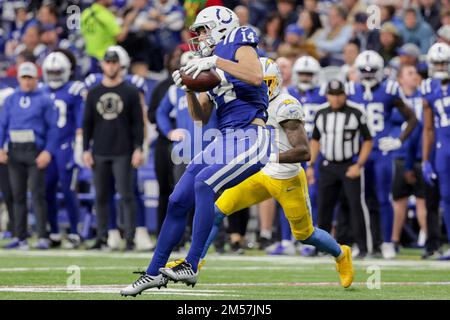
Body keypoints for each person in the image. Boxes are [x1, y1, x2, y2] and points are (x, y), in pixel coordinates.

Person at [121, 5, 270, 295]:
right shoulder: (210, 61)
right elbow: (201, 117)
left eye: (202, 30)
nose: (200, 37)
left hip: (251, 135)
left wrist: (216, 61)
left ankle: (191, 263)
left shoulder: (238, 39)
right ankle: (153, 272)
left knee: (204, 183)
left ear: (220, 26)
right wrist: (189, 89)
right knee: (177, 199)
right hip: (223, 138)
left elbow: (254, 75)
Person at [199, 58, 354, 286]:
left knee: (305, 234)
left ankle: (341, 255)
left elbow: (304, 152)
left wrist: (266, 155)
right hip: (259, 174)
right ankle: (194, 262)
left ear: (275, 82)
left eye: (263, 83)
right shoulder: (247, 104)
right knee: (215, 212)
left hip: (286, 177)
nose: (256, 87)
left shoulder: (285, 105)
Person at [345, 50, 418, 258]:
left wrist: (398, 140)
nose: (368, 74)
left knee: (383, 198)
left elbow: (412, 118)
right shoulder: (350, 89)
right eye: (364, 70)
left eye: (372, 70)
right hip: (358, 152)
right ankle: (365, 243)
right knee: (360, 199)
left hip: (381, 152)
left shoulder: (390, 89)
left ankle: (386, 242)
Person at [84, 45, 153, 251]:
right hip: (100, 151)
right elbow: (87, 122)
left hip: (123, 151)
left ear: (120, 65)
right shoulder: (94, 92)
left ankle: (130, 238)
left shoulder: (130, 91)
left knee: (126, 195)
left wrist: (138, 148)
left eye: (114, 62)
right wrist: (86, 150)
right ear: (103, 64)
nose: (111, 66)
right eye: (108, 62)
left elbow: (137, 123)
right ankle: (103, 237)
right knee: (102, 196)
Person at [307, 79, 373, 259]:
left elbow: (368, 140)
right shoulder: (321, 113)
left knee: (355, 206)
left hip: (348, 165)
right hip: (327, 165)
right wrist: (311, 165)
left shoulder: (356, 112)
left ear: (345, 94)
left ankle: (363, 247)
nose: (336, 99)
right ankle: (321, 247)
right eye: (332, 95)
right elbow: (315, 140)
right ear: (327, 95)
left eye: (339, 95)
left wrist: (359, 164)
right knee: (324, 208)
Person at [0, 62, 58, 250]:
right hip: (15, 150)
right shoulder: (11, 99)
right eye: (23, 78)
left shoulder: (44, 99)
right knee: (16, 195)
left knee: (37, 194)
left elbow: (53, 129)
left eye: (29, 78)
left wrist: (48, 151)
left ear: (36, 78)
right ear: (18, 78)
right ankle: (20, 236)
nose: (26, 81)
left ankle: (42, 235)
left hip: (35, 151)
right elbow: (2, 125)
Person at [41, 51, 85, 249]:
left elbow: (80, 120)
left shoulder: (75, 89)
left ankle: (75, 232)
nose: (54, 75)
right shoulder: (41, 90)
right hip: (47, 148)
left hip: (67, 146)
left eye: (57, 71)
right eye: (51, 71)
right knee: (47, 191)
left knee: (69, 190)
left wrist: (79, 144)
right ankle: (54, 231)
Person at [390, 64, 427, 254]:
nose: (415, 76)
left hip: (420, 154)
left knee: (423, 199)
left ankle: (426, 237)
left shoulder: (423, 98)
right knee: (399, 200)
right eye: (409, 72)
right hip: (399, 155)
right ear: (400, 79)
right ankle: (394, 240)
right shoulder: (395, 99)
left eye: (415, 73)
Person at [421, 42, 450, 260]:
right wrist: (425, 160)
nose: (440, 66)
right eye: (437, 63)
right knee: (446, 197)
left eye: (443, 63)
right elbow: (428, 128)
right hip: (442, 148)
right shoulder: (427, 87)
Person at [80, 0, 136, 73]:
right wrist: (127, 22)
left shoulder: (85, 13)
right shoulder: (105, 14)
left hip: (89, 58)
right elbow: (120, 37)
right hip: (106, 59)